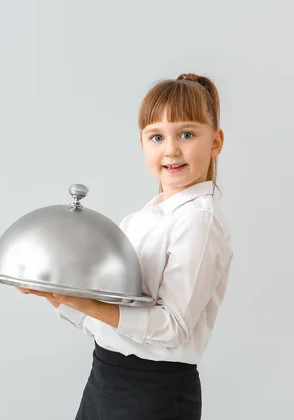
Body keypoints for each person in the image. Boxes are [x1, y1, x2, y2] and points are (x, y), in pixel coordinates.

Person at [17, 72, 234, 419]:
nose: (171, 149)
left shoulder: (198, 221)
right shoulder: (140, 218)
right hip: (105, 378)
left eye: (187, 134)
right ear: (143, 144)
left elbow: (173, 328)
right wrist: (57, 296)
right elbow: (107, 321)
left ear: (216, 142)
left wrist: (81, 301)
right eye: (157, 136)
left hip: (154, 393)